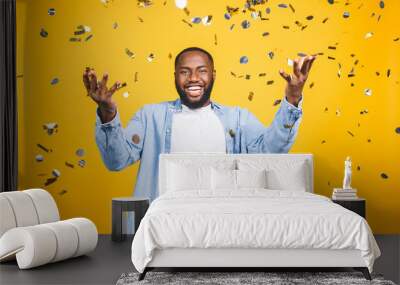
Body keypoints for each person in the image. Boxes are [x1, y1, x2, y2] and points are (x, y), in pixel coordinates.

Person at [83, 47, 316, 202]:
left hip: (222, 218)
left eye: (201, 71)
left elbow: (270, 152)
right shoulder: (150, 116)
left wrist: (292, 98)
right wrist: (107, 110)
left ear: (213, 75)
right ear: (175, 76)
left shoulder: (238, 119)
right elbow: (116, 161)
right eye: (185, 72)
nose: (193, 78)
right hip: (165, 220)